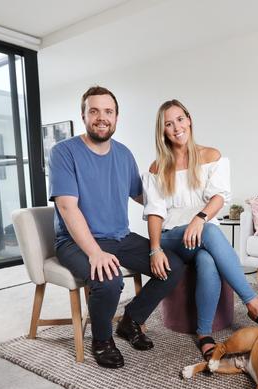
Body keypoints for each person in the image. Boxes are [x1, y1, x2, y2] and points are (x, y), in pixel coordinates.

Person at [142, 99, 258, 360]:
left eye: (180, 119)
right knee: (211, 232)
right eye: (168, 124)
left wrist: (199, 218)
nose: (176, 127)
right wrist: (155, 248)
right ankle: (255, 305)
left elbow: (218, 198)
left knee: (207, 258)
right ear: (162, 131)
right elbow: (155, 213)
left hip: (201, 236)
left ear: (189, 119)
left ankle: (204, 334)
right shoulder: (157, 168)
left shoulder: (211, 157)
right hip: (171, 238)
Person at [49, 86, 185, 369]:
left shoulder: (123, 154)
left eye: (108, 111)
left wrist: (180, 198)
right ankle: (101, 339)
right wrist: (95, 253)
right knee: (109, 280)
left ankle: (130, 320)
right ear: (83, 115)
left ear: (116, 117)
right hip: (77, 242)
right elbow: (66, 206)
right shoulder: (64, 152)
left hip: (120, 237)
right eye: (94, 111)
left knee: (173, 265)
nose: (102, 117)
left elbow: (140, 195)